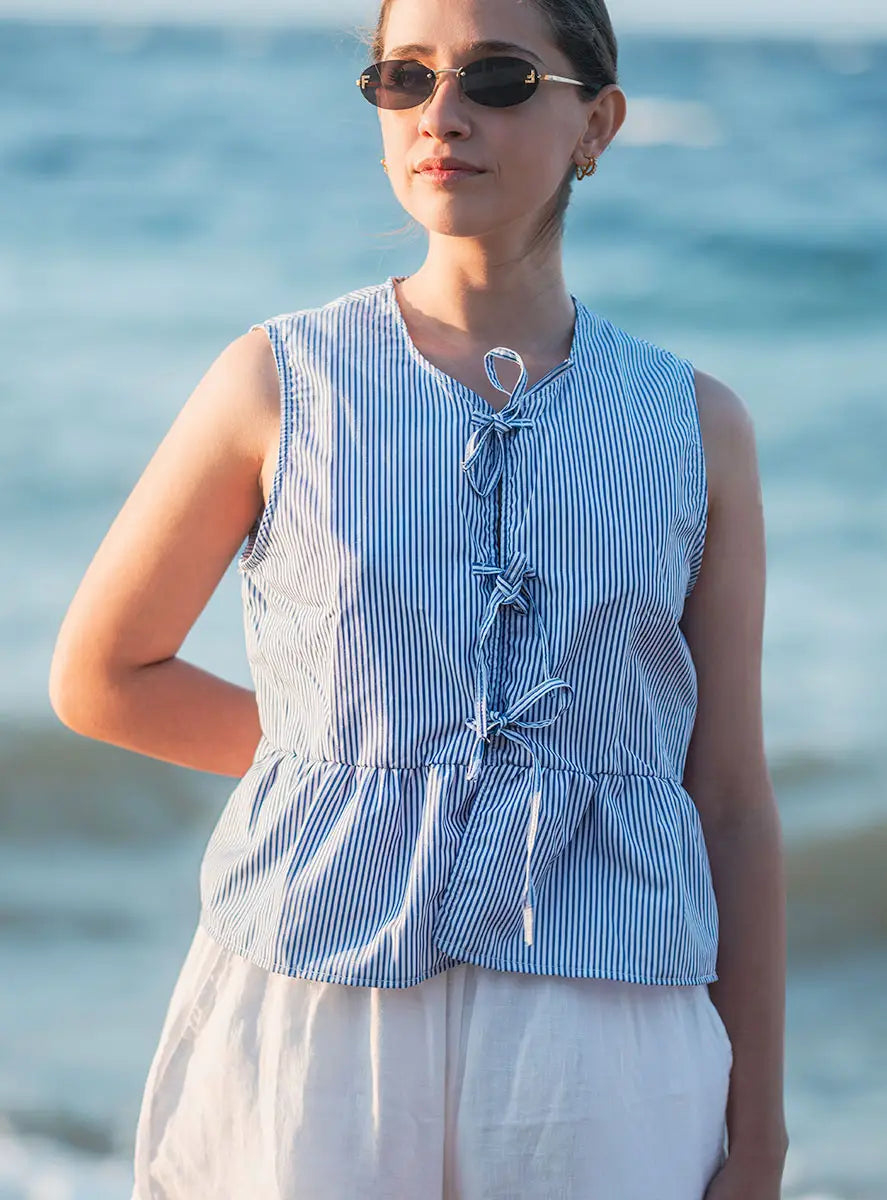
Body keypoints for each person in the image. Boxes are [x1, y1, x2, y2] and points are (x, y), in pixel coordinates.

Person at [48, 0, 789, 1195]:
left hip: (610, 1030)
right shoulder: (277, 380)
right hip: (311, 1008)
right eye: (403, 77)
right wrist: (342, 760)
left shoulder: (694, 426)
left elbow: (732, 799)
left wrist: (760, 1132)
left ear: (597, 122)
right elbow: (101, 676)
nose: (442, 115)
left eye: (498, 78)